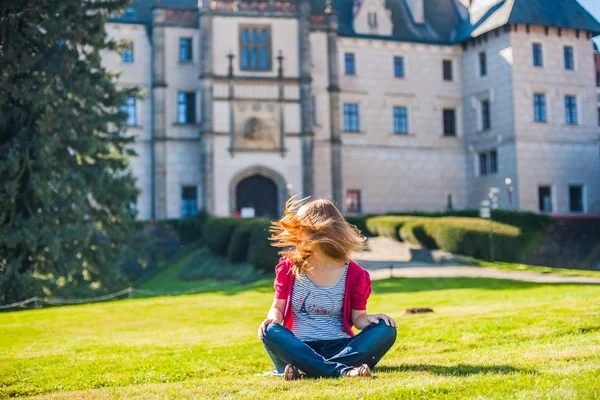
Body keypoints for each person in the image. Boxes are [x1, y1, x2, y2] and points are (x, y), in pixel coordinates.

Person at [258, 197, 397, 380]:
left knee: (386, 329)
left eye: (302, 229)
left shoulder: (355, 274)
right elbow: (278, 308)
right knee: (270, 331)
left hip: (341, 346)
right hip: (298, 347)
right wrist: (273, 319)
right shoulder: (288, 267)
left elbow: (358, 318)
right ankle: (342, 370)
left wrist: (372, 319)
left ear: (319, 232)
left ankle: (309, 369)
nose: (297, 234)